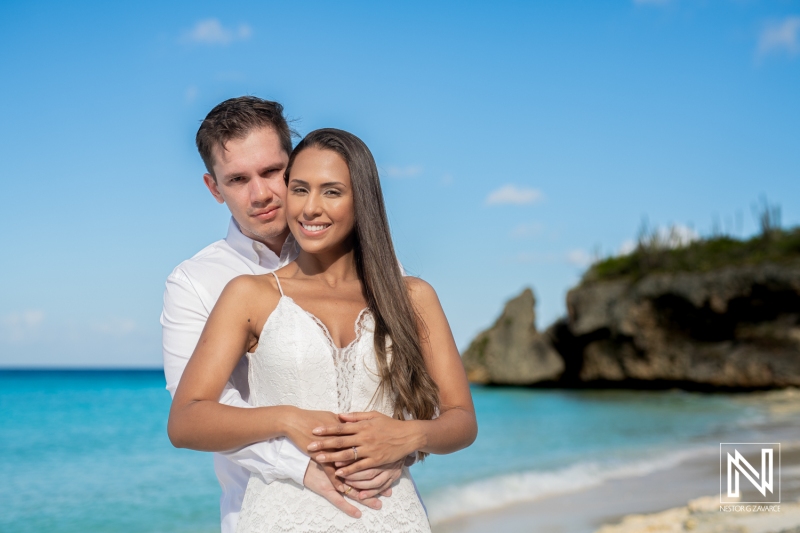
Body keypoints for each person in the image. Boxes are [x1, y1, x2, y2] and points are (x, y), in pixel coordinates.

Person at [168, 128, 477, 532]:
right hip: (281, 518)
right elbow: (186, 420)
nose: (310, 208)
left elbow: (461, 420)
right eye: (300, 190)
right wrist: (286, 419)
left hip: (391, 515)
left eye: (331, 192)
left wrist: (410, 437)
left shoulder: (410, 295)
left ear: (362, 199)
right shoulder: (246, 293)